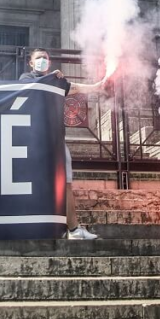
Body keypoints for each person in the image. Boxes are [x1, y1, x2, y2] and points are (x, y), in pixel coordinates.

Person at [20, 48, 106, 240]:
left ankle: (74, 229)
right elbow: (30, 89)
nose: (42, 60)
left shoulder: (56, 81)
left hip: (56, 137)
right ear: (31, 63)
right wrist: (52, 77)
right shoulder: (26, 77)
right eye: (38, 58)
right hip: (34, 139)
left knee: (65, 182)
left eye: (45, 58)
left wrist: (96, 86)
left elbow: (74, 88)